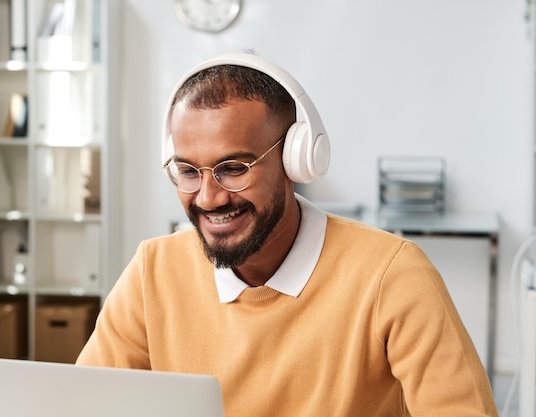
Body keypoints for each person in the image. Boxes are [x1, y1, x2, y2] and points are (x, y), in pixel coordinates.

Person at [77, 53, 499, 416]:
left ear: (297, 162)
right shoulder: (153, 271)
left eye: (233, 168)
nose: (208, 197)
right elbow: (82, 406)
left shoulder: (394, 276)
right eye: (188, 171)